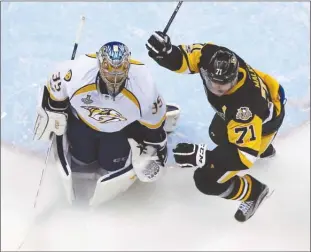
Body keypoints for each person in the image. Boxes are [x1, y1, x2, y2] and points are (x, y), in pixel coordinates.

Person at [146, 31, 286, 222]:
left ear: (235, 77)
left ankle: (254, 192)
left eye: (225, 85)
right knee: (217, 133)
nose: (218, 90)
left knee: (206, 180)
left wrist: (201, 155)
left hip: (265, 121)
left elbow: (245, 156)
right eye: (214, 83)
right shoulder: (209, 55)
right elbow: (186, 59)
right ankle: (266, 152)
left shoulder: (244, 109)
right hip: (259, 101)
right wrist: (166, 52)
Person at [33, 41, 180, 205]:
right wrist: (55, 112)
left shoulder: (144, 86)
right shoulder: (77, 74)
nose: (115, 78)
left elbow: (155, 124)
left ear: (128, 67)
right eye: (110, 71)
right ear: (99, 66)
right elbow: (55, 90)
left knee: (111, 167)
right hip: (82, 126)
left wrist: (153, 147)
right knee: (81, 161)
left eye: (120, 71)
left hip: (119, 132)